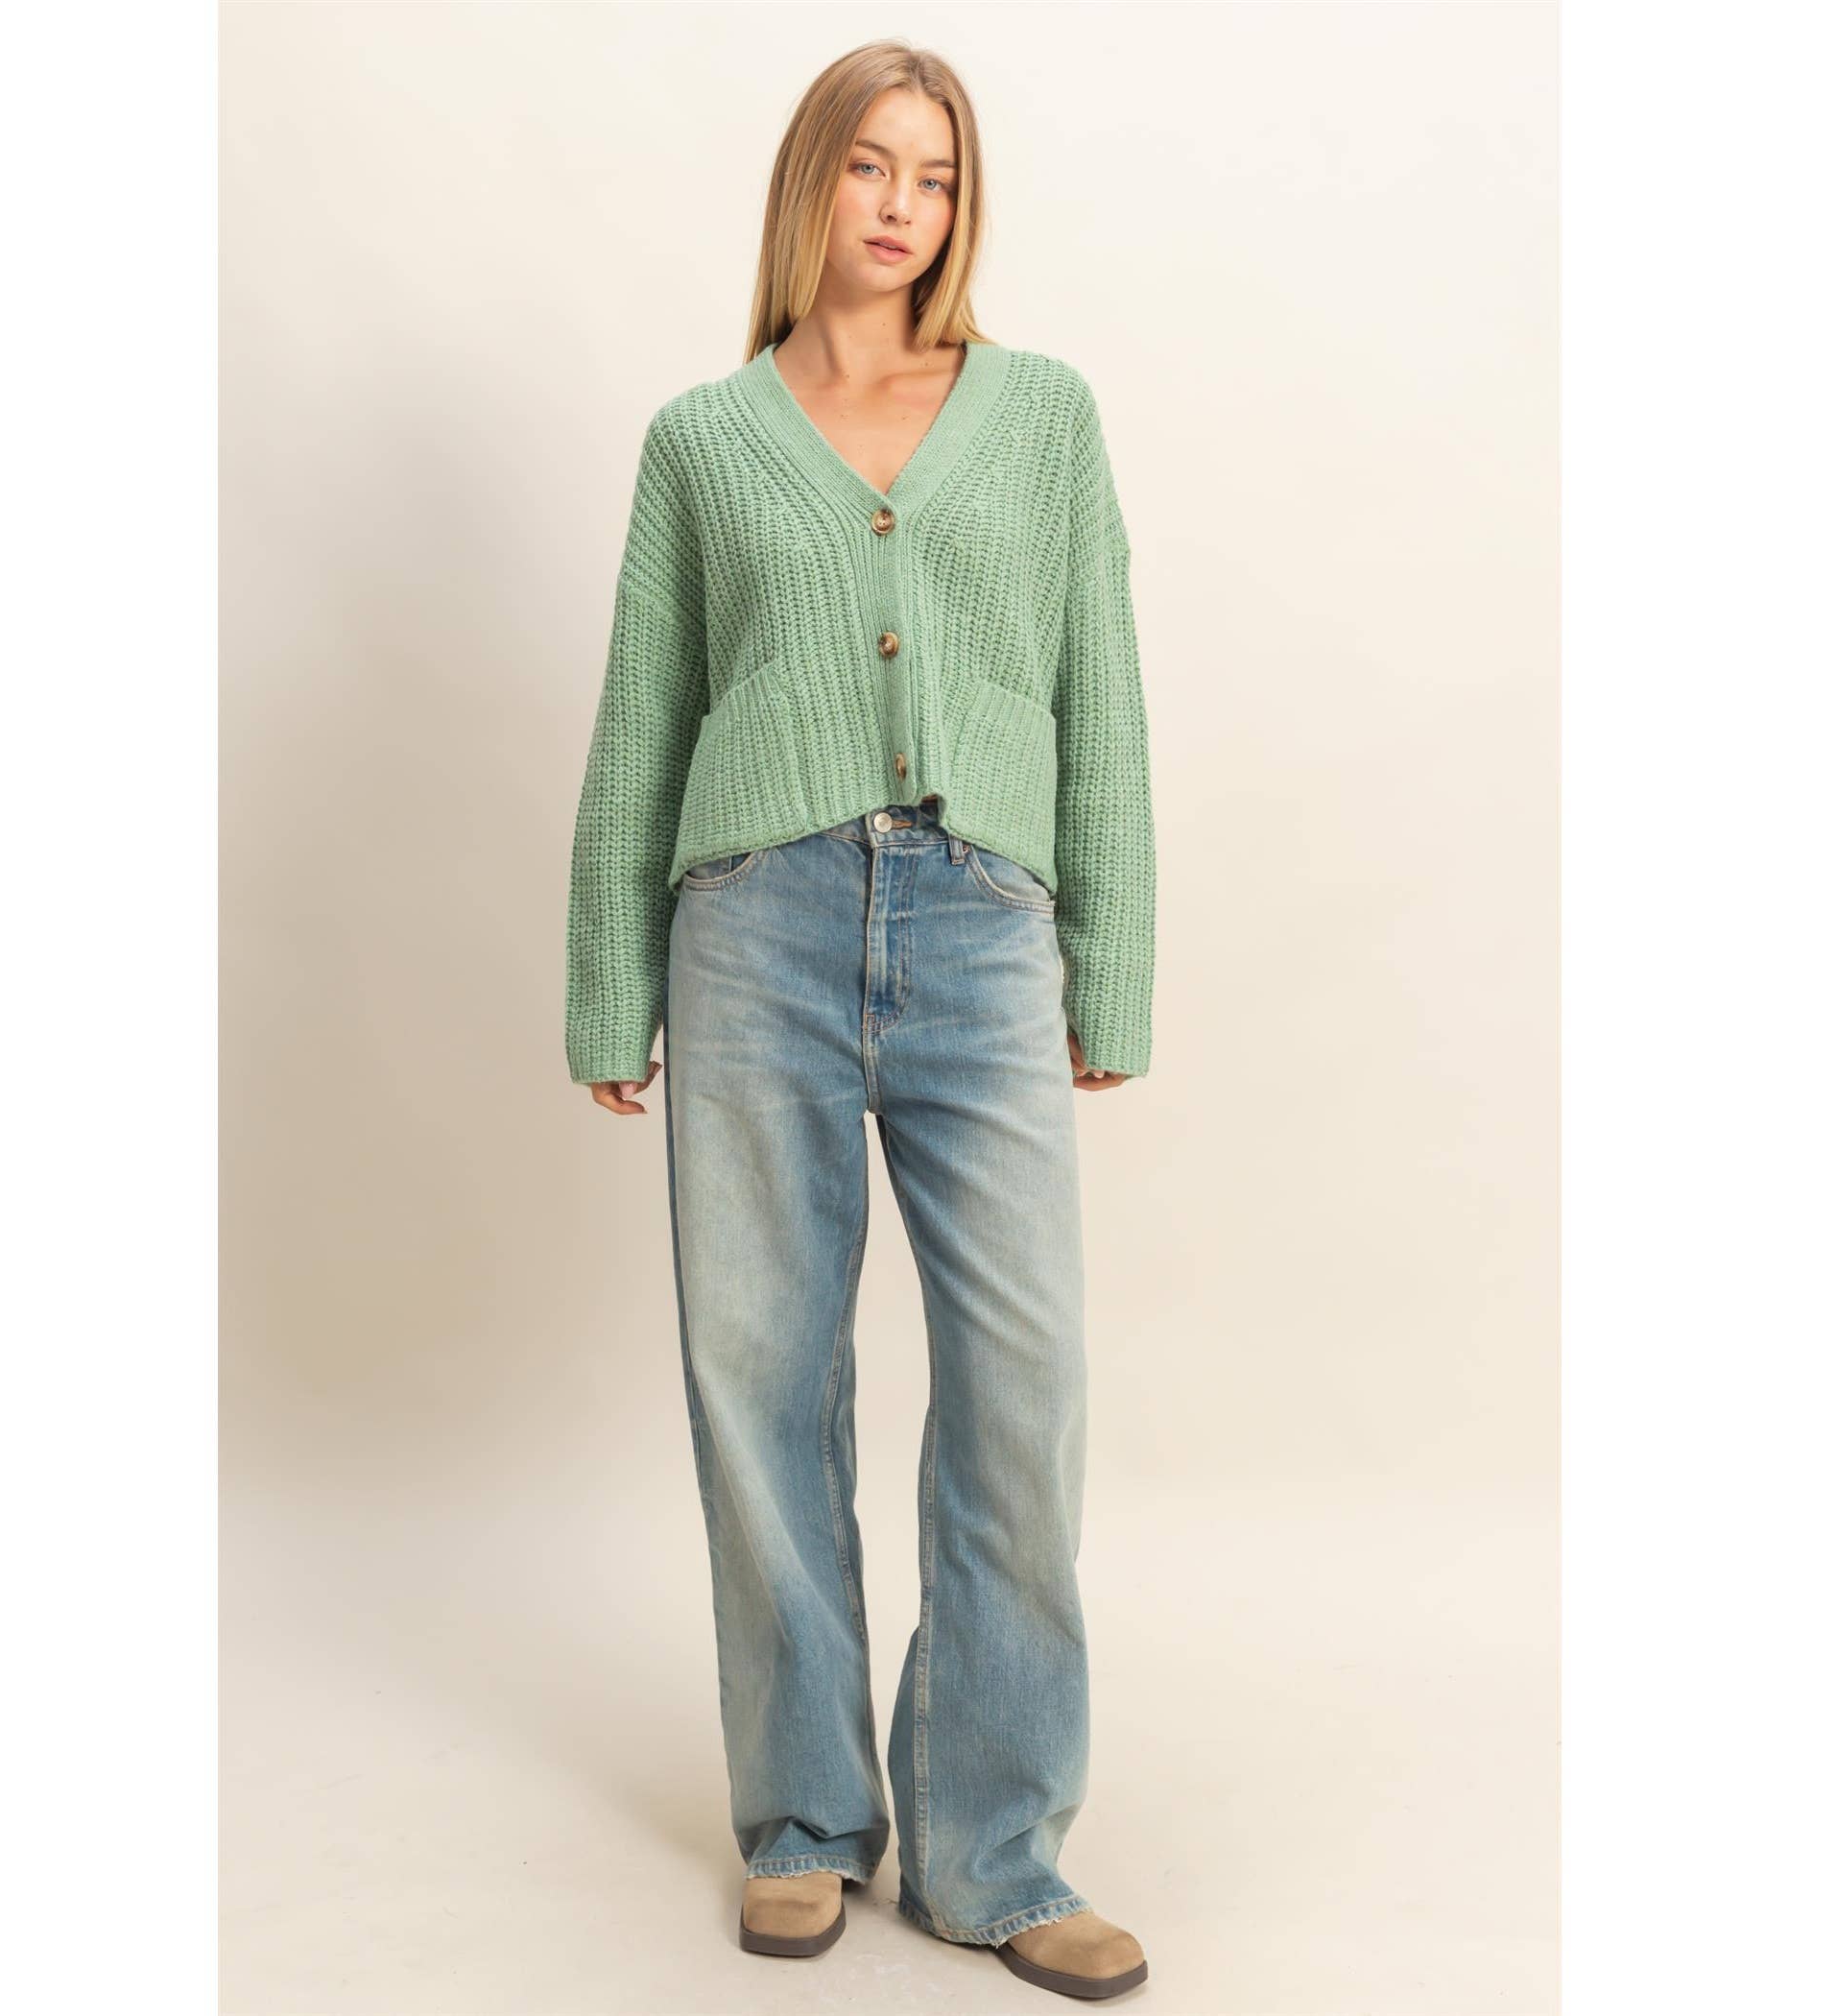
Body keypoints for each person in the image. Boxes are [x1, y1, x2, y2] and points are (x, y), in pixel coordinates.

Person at [563, 37, 1156, 2003]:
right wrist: (609, 983)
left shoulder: (1042, 417)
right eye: (871, 167)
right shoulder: (704, 441)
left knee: (1020, 1388)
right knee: (761, 1378)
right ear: (810, 179)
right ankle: (805, 1820)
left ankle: (993, 1847)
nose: (903, 207)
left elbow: (1099, 689)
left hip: (983, 928)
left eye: (938, 176)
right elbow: (644, 719)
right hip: (758, 931)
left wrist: (1111, 960)